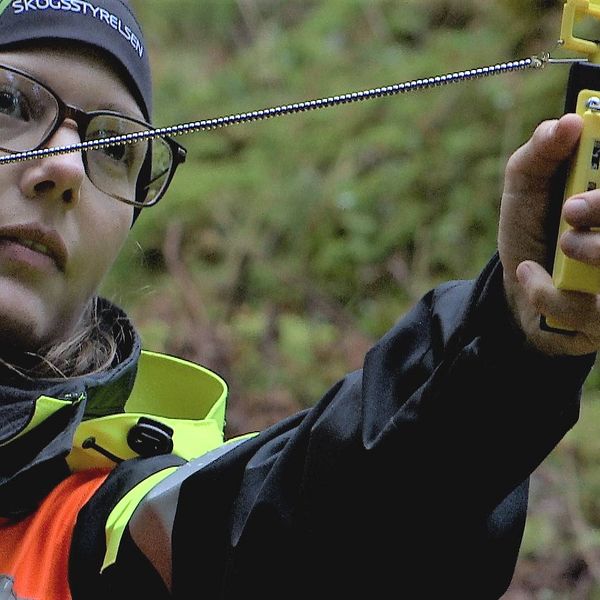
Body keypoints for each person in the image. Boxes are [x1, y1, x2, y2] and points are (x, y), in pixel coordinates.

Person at [0, 1, 597, 599]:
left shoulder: (109, 533)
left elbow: (317, 525)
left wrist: (507, 341)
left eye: (114, 146)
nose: (64, 165)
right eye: (9, 103)